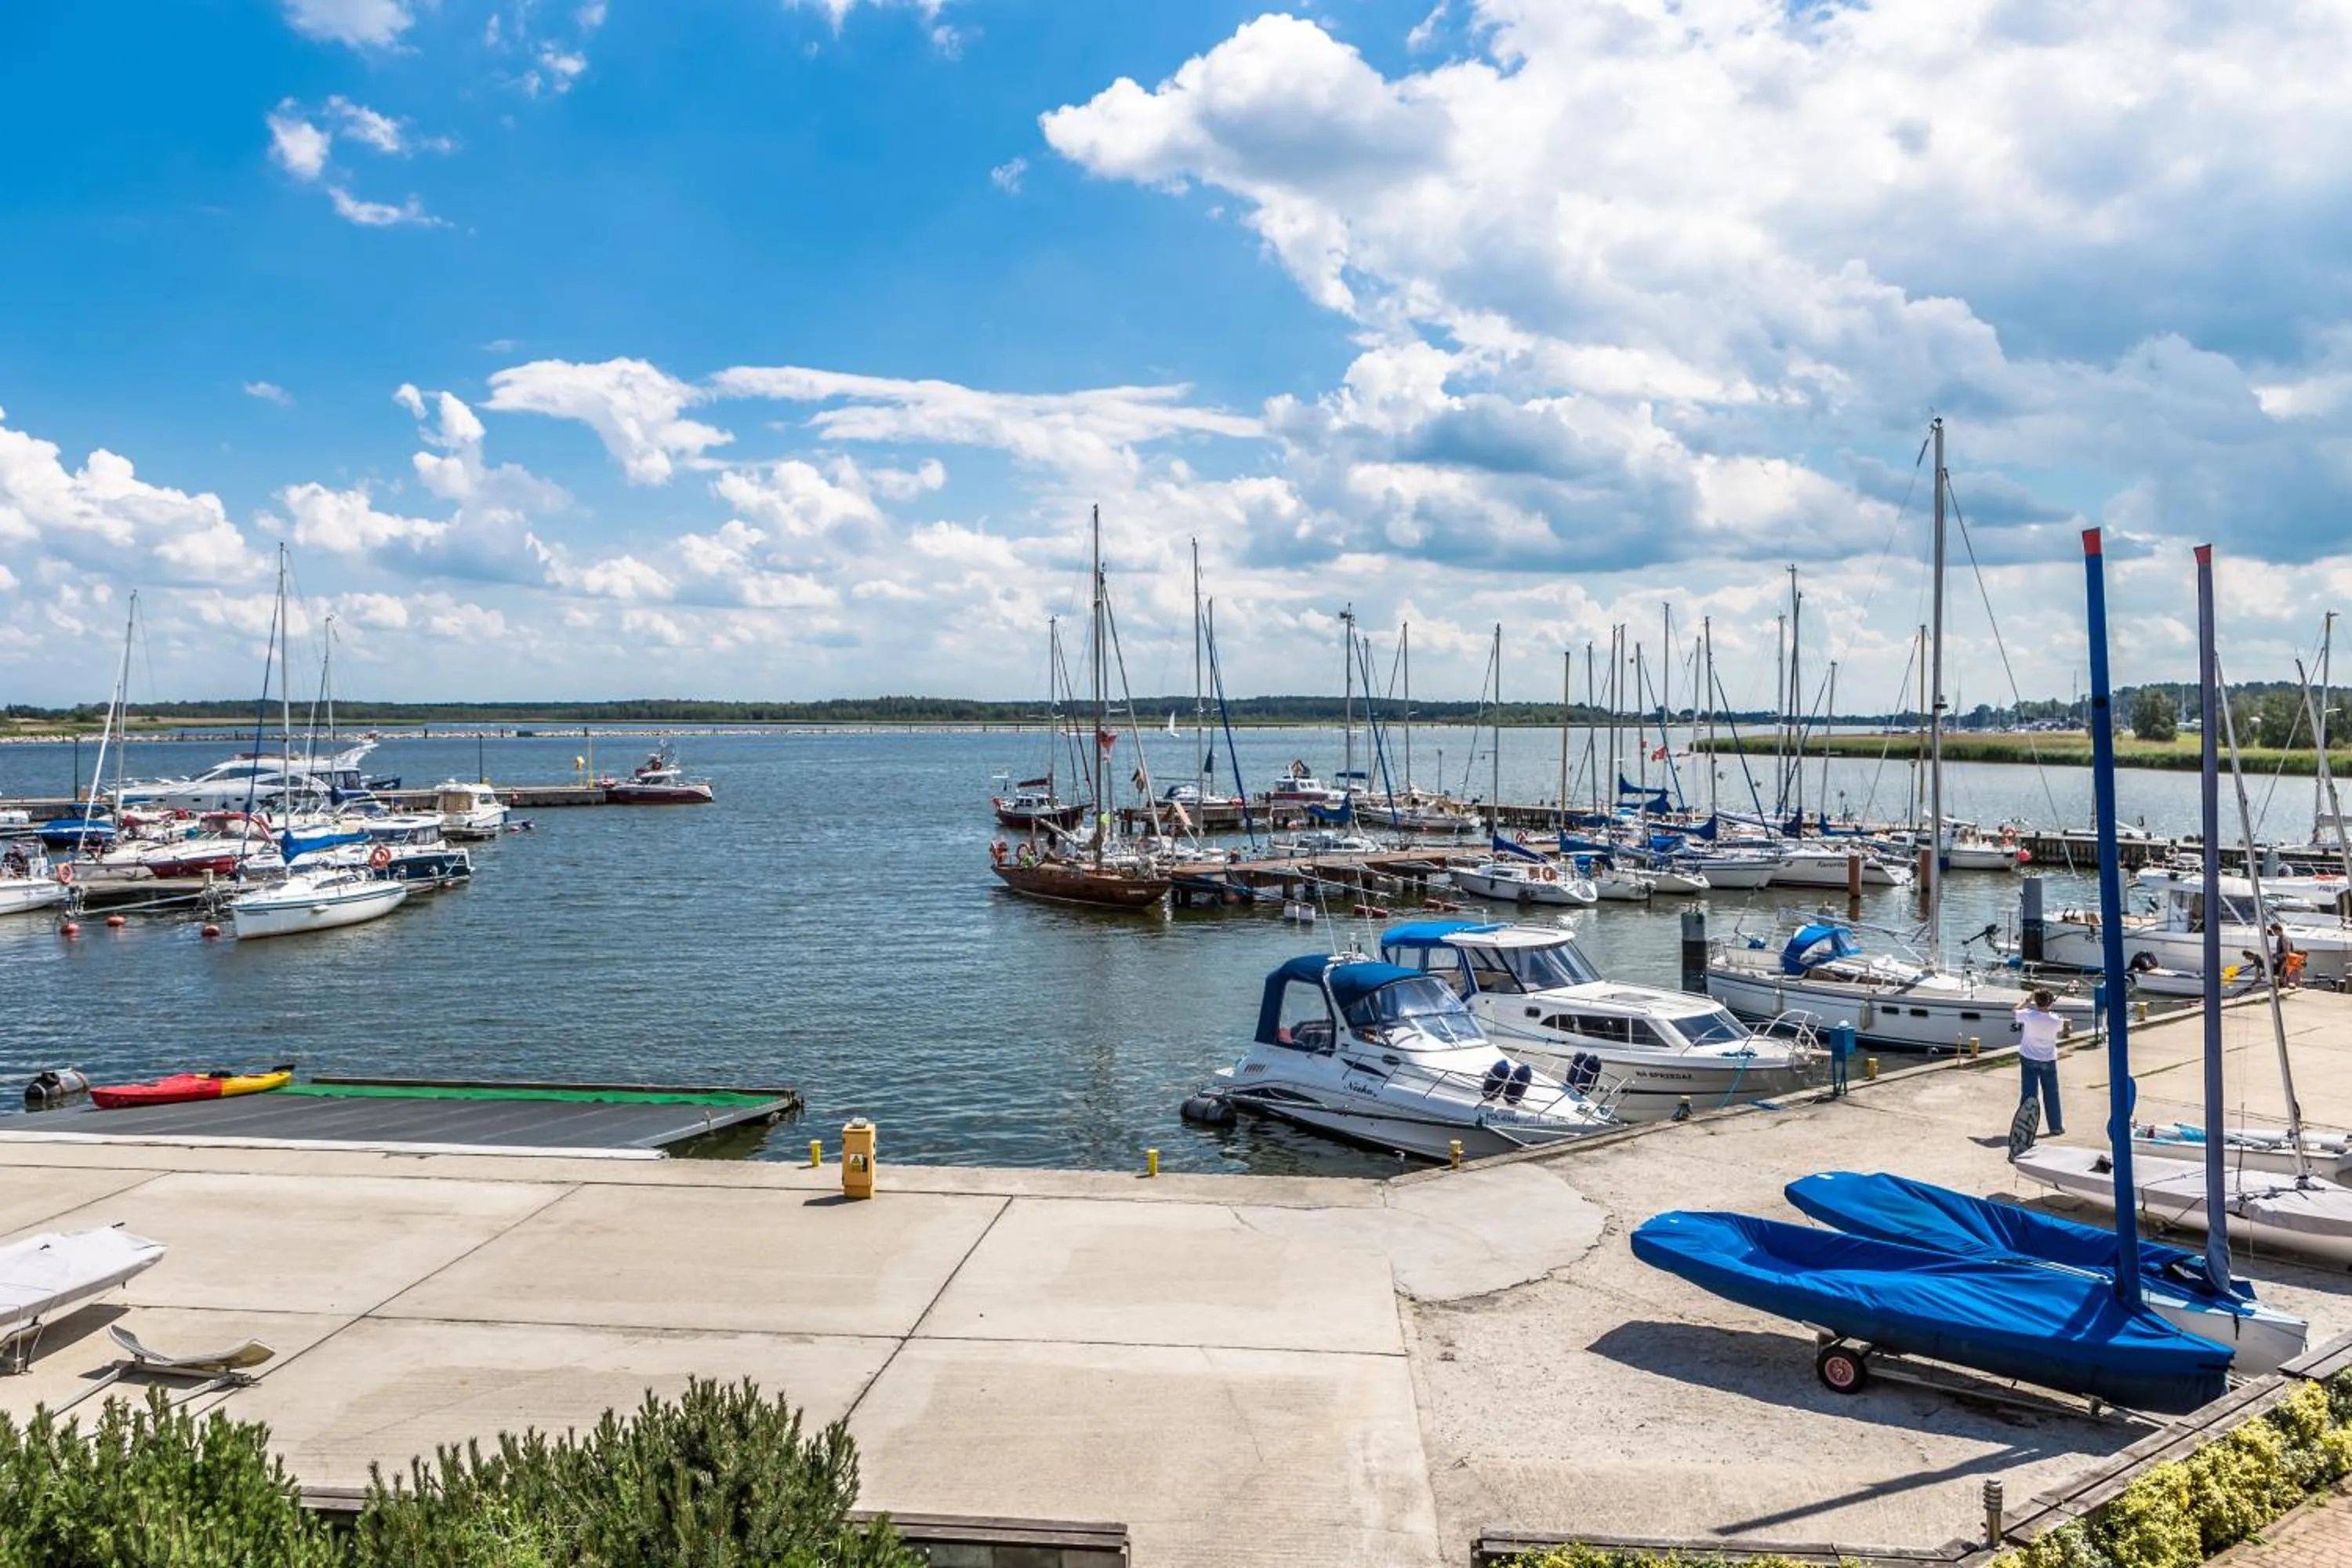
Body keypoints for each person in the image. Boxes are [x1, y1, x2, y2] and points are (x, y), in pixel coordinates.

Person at [2014, 987, 2064, 1138]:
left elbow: (2015, 1011)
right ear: (2050, 1002)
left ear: (2036, 1001)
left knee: (2029, 1095)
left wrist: (2027, 1000)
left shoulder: (2028, 1015)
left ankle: (2025, 1129)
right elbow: (2061, 1028)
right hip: (2048, 1059)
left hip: (2028, 1057)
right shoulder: (2057, 1020)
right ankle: (2055, 1127)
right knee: (2052, 1094)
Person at [2269, 922, 2299, 987]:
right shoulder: (2280, 938)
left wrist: (2277, 957)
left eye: (2274, 931)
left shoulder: (2285, 938)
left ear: (2278, 930)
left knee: (2271, 964)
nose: (2274, 932)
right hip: (2281, 959)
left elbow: (2287, 953)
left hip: (2285, 960)